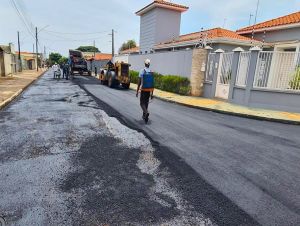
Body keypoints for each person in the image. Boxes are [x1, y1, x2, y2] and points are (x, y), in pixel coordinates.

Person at [136, 59, 154, 123]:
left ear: (145, 64)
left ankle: (146, 113)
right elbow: (152, 83)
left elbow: (139, 82)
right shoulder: (151, 72)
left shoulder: (142, 71)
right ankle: (145, 117)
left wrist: (137, 91)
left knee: (141, 103)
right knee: (146, 103)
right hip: (149, 90)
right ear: (149, 64)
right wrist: (152, 93)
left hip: (143, 89)